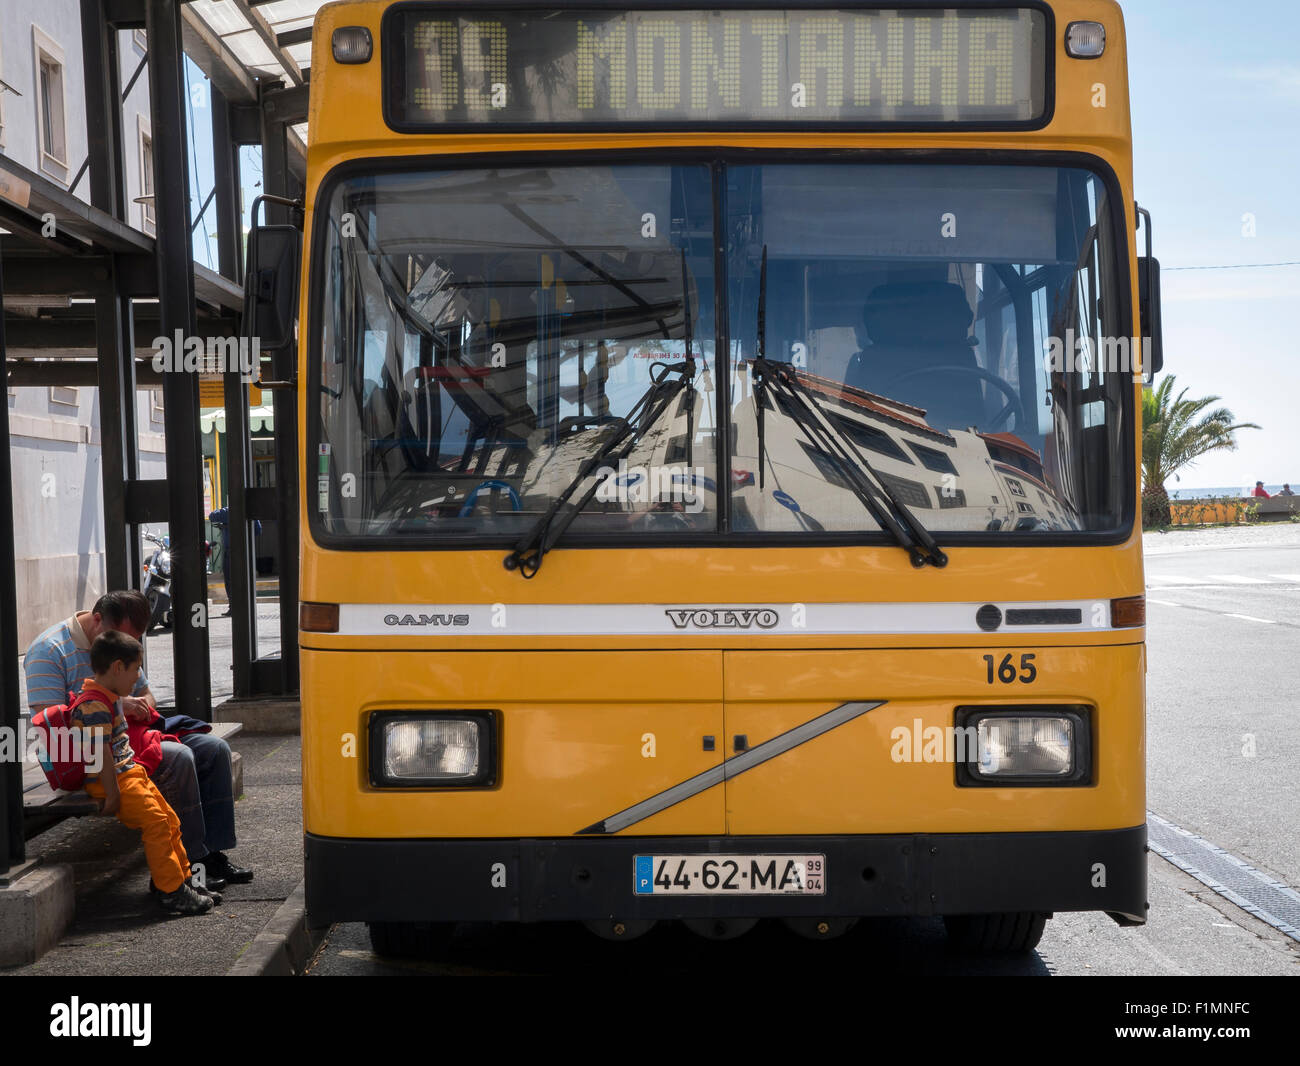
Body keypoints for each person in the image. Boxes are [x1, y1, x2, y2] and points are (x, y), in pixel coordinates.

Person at [24, 590, 253, 889]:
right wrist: (119, 705)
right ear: (97, 621)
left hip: (130, 736)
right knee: (179, 759)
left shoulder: (113, 644)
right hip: (91, 753)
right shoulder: (48, 651)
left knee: (214, 749)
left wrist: (133, 705)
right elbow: (51, 726)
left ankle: (213, 854)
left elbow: (148, 696)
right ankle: (192, 865)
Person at [76, 631, 215, 915]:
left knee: (170, 820)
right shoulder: (94, 704)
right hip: (113, 782)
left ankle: (181, 880)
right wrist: (112, 794)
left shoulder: (108, 696)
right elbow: (100, 753)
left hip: (129, 774)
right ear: (117, 667)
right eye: (135, 669)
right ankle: (171, 891)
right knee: (156, 824)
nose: (137, 676)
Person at [207, 507, 262, 617]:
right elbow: (258, 531)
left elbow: (212, 516)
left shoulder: (229, 511)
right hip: (246, 550)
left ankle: (234, 607)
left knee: (230, 580)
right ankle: (246, 606)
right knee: (245, 579)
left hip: (231, 551)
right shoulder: (251, 512)